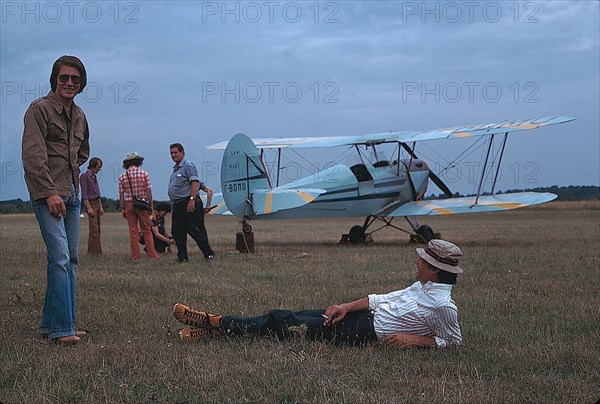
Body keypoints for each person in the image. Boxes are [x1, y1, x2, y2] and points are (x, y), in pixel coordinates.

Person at [174, 239, 464, 348]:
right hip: (361, 316)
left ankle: (217, 322)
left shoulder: (442, 305)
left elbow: (454, 341)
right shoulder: (421, 286)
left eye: (422, 261)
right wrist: (347, 306)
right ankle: (218, 330)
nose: (416, 261)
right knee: (291, 317)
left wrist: (417, 341)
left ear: (435, 270)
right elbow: (381, 298)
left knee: (282, 321)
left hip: (363, 333)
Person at [22, 55, 90, 345]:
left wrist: (71, 182)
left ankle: (54, 324)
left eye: (75, 79)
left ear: (81, 83)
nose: (70, 83)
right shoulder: (39, 110)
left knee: (70, 260)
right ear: (55, 79)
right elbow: (33, 156)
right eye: (64, 78)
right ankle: (63, 330)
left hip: (72, 195)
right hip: (48, 195)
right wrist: (50, 192)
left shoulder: (80, 115)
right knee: (59, 257)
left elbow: (83, 151)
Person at [168, 143, 215, 263]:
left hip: (187, 202)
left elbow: (195, 183)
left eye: (175, 152)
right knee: (177, 232)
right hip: (177, 204)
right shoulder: (176, 169)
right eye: (171, 153)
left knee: (193, 230)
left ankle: (209, 253)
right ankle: (182, 257)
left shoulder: (187, 166)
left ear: (182, 153)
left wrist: (192, 200)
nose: (173, 155)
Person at [118, 152, 160, 260]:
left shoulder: (122, 176)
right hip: (142, 204)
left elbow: (121, 194)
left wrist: (122, 208)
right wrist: (151, 205)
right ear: (139, 162)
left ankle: (135, 256)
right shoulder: (144, 174)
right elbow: (148, 191)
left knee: (133, 231)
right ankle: (152, 254)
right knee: (146, 230)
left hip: (129, 204)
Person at [80, 157, 104, 255]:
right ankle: (94, 252)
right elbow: (84, 194)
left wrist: (101, 206)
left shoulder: (94, 176)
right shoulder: (84, 176)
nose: (99, 169)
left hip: (97, 202)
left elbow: (97, 193)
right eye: (98, 166)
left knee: (98, 229)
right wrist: (89, 208)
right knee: (93, 229)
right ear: (93, 165)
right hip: (91, 203)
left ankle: (95, 251)